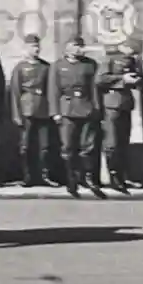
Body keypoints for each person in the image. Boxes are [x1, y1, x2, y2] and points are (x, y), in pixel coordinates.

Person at [49, 35, 100, 196]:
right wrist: (55, 112)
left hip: (86, 108)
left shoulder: (90, 65)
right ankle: (71, 180)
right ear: (67, 48)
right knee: (68, 147)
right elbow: (53, 91)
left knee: (87, 146)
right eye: (75, 46)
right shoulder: (58, 66)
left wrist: (96, 109)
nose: (79, 49)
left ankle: (88, 177)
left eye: (80, 46)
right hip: (67, 110)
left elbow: (94, 89)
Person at [97, 36, 143, 193]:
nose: (133, 55)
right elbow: (100, 79)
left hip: (126, 104)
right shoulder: (110, 58)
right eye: (133, 51)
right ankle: (113, 176)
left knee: (123, 142)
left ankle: (122, 176)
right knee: (112, 142)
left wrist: (137, 80)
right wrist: (122, 79)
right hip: (111, 104)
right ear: (126, 47)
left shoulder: (133, 61)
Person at [9, 33, 54, 188]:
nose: (35, 49)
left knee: (44, 146)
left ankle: (44, 175)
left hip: (43, 109)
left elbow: (51, 91)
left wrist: (53, 111)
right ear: (25, 48)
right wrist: (16, 115)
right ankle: (27, 176)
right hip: (26, 109)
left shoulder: (46, 67)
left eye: (37, 46)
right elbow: (15, 93)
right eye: (32, 46)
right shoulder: (20, 68)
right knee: (25, 146)